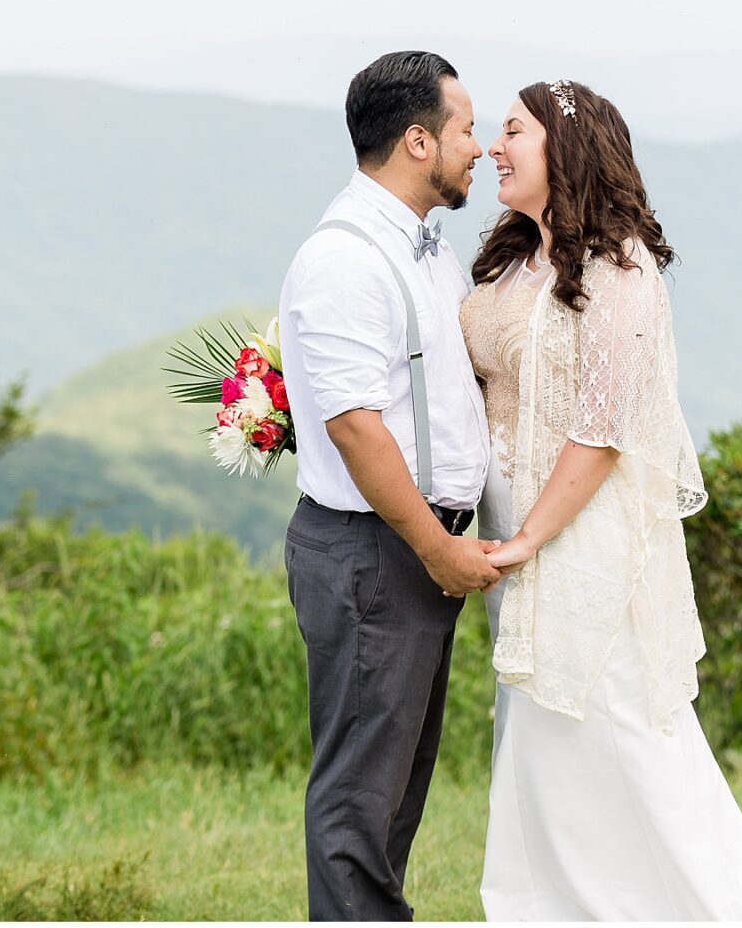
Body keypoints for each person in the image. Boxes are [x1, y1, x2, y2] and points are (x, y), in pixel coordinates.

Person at [459, 79, 742, 921]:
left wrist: (531, 537)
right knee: (536, 727)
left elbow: (604, 429)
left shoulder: (621, 268)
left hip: (579, 533)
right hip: (510, 533)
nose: (494, 147)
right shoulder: (511, 260)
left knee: (608, 713)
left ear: (565, 148)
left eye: (512, 131)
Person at [277, 50, 507, 921]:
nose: (477, 148)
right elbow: (355, 426)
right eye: (465, 129)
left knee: (397, 783)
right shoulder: (344, 262)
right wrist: (436, 546)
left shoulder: (423, 251)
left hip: (413, 546)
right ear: (418, 140)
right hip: (380, 551)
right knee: (359, 797)